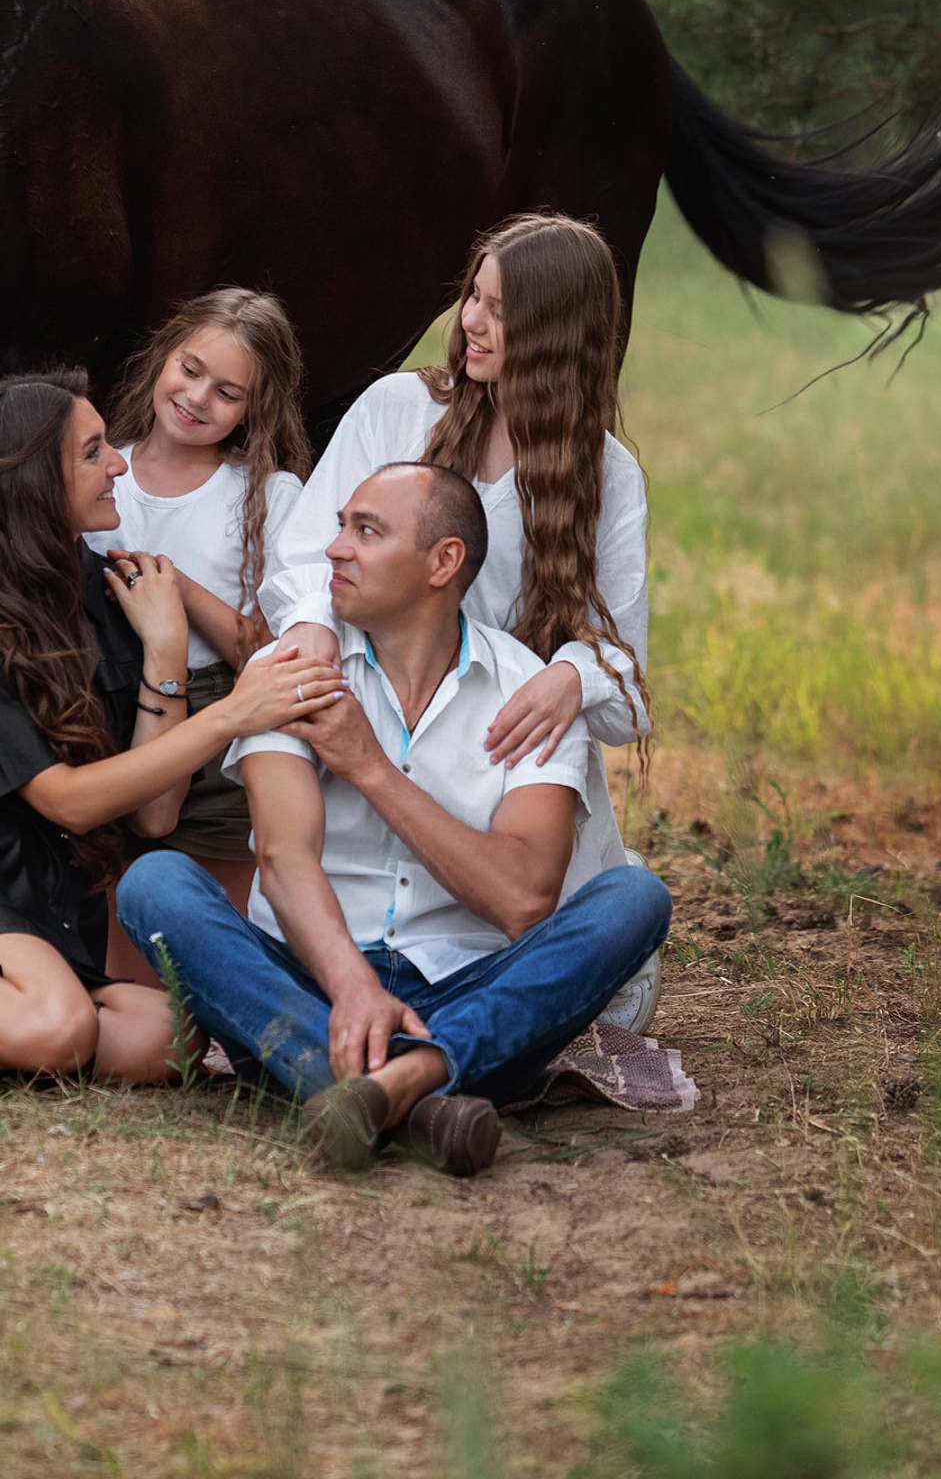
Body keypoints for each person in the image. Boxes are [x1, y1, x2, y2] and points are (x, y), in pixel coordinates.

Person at [116, 463, 672, 1175]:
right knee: (156, 884)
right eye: (341, 525)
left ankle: (371, 1082)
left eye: (366, 531)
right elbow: (285, 862)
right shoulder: (290, 667)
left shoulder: (526, 690)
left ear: (443, 562)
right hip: (312, 983)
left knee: (635, 898)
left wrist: (370, 768)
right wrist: (352, 989)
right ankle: (425, 1089)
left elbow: (522, 900)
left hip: (471, 992)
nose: (335, 549)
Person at [0, 370, 344, 1083]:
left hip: (60, 897)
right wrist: (236, 713)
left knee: (165, 1040)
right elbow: (68, 801)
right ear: (31, 480)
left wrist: (166, 651)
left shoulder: (123, 593)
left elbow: (153, 815)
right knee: (59, 1026)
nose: (118, 461)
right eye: (92, 452)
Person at [264, 212, 661, 1030]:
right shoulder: (397, 410)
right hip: (376, 709)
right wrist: (307, 621)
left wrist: (568, 676)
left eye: (501, 310)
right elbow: (304, 558)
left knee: (618, 922)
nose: (470, 323)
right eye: (472, 296)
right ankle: (408, 1024)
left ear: (558, 334)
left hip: (501, 759)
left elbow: (628, 686)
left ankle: (430, 1042)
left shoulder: (606, 475)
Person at [0, 290, 310, 976]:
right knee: (116, 925)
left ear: (257, 408)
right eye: (190, 368)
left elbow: (266, 646)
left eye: (228, 391)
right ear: (162, 355)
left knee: (195, 949)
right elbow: (7, 568)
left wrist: (172, 596)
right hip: (101, 696)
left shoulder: (265, 495)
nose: (199, 397)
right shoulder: (93, 463)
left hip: (208, 702)